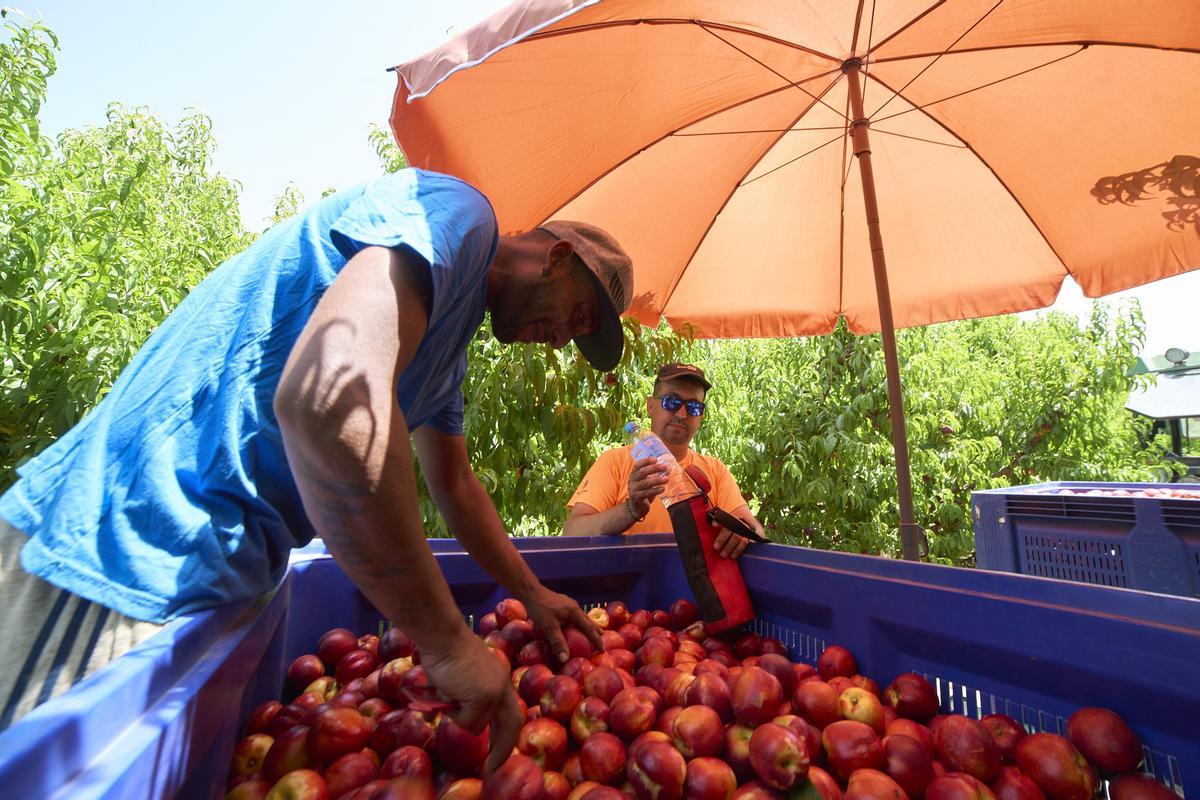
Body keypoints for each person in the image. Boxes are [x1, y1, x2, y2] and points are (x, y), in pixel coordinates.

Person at [0, 167, 632, 771]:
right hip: (124, 544)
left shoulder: (445, 353)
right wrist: (446, 642)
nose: (560, 342)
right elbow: (332, 395)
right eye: (577, 318)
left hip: (214, 580)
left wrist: (531, 591)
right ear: (559, 259)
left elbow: (456, 485)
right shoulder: (461, 215)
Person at [564, 363, 765, 556]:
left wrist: (741, 533)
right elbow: (572, 532)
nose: (681, 413)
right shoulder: (614, 462)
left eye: (694, 406)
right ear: (651, 406)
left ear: (701, 415)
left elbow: (755, 530)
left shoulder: (715, 470)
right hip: (627, 586)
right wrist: (631, 510)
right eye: (672, 401)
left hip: (693, 588)